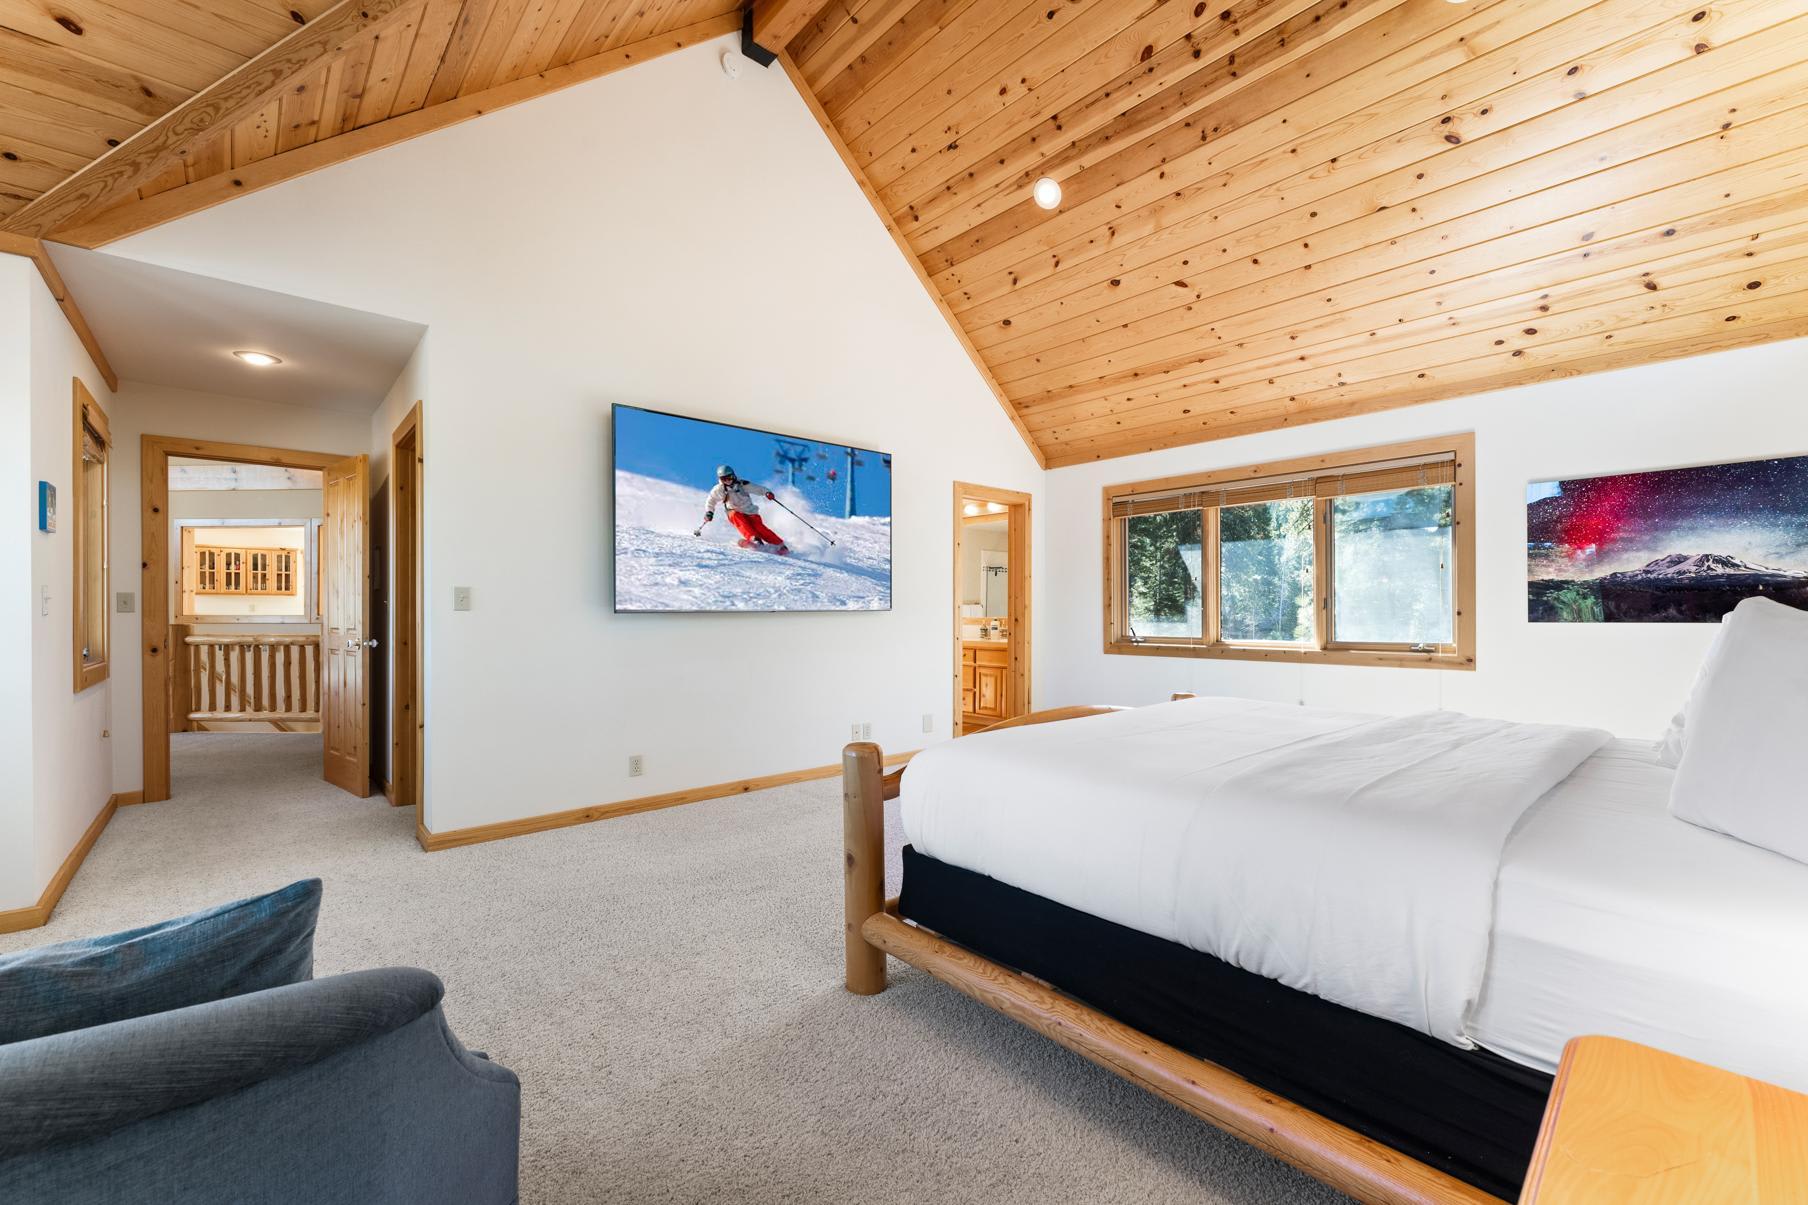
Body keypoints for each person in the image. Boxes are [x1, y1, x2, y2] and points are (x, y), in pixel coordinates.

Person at [696, 464, 789, 554]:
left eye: (729, 477)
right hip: (734, 511)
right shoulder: (719, 489)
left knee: (759, 528)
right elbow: (711, 501)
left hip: (750, 511)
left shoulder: (743, 484)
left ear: (733, 476)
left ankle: (779, 545)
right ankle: (755, 540)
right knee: (739, 520)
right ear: (720, 479)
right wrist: (709, 512)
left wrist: (767, 493)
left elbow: (758, 489)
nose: (727, 481)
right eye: (723, 479)